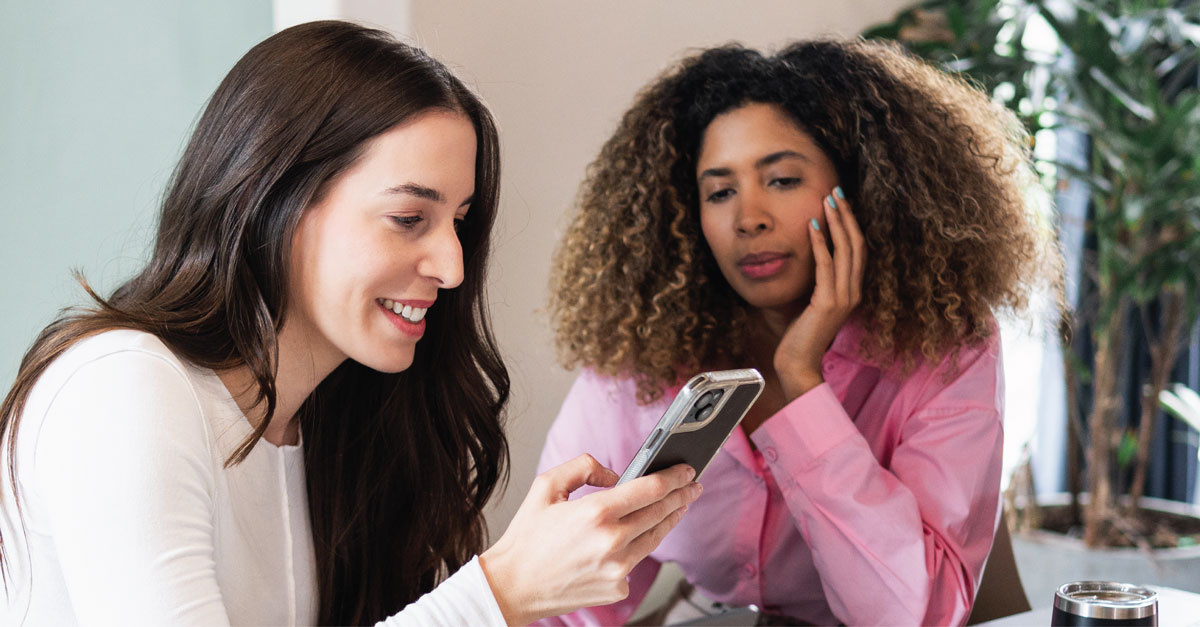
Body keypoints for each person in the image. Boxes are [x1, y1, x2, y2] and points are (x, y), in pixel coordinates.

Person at [0, 21, 703, 626]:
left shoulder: (335, 429)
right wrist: (503, 590)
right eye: (408, 218)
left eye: (459, 223)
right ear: (273, 196)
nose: (454, 268)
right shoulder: (123, 388)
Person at [542, 39, 1061, 626]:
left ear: (863, 189)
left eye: (783, 180)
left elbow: (911, 617)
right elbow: (565, 598)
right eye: (720, 192)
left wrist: (802, 384)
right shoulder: (642, 354)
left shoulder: (945, 349)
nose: (749, 218)